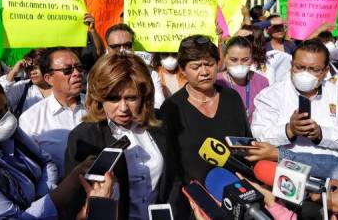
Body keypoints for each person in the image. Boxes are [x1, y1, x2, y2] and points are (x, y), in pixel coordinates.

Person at [0, 78, 101, 219]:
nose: (7, 119)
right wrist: (70, 183)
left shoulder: (10, 132)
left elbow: (45, 161)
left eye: (6, 108)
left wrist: (44, 195)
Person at [64, 52, 173, 220]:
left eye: (131, 98)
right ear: (99, 97)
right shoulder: (84, 137)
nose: (123, 108)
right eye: (114, 99)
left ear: (144, 96)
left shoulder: (161, 124)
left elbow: (174, 181)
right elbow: (73, 202)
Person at [160, 35, 251, 219]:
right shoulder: (171, 108)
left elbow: (246, 147)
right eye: (195, 67)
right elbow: (171, 168)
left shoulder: (232, 98)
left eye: (209, 64)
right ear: (182, 70)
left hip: (239, 197)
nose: (204, 72)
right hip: (195, 205)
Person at [252, 40, 338, 156]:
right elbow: (259, 136)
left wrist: (320, 134)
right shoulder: (271, 95)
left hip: (329, 170)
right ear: (291, 65)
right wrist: (289, 130)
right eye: (300, 67)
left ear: (325, 71)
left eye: (315, 69)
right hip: (285, 169)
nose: (306, 74)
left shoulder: (337, 94)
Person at [18, 47, 86, 178]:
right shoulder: (31, 119)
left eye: (79, 67)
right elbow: (30, 168)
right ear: (49, 78)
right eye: (67, 70)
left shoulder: (98, 107)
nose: (77, 73)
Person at [104, 23, 165, 108]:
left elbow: (159, 104)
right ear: (107, 48)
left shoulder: (150, 74)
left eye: (127, 45)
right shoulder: (98, 74)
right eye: (116, 47)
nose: (122, 50)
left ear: (133, 46)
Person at [216, 36, 269, 123]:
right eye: (234, 60)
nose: (239, 64)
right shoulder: (216, 81)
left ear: (252, 59)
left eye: (245, 60)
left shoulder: (262, 82)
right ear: (225, 58)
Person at [0, 48, 52, 117]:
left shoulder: (60, 87)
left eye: (36, 67)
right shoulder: (23, 87)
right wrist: (14, 71)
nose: (32, 72)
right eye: (29, 69)